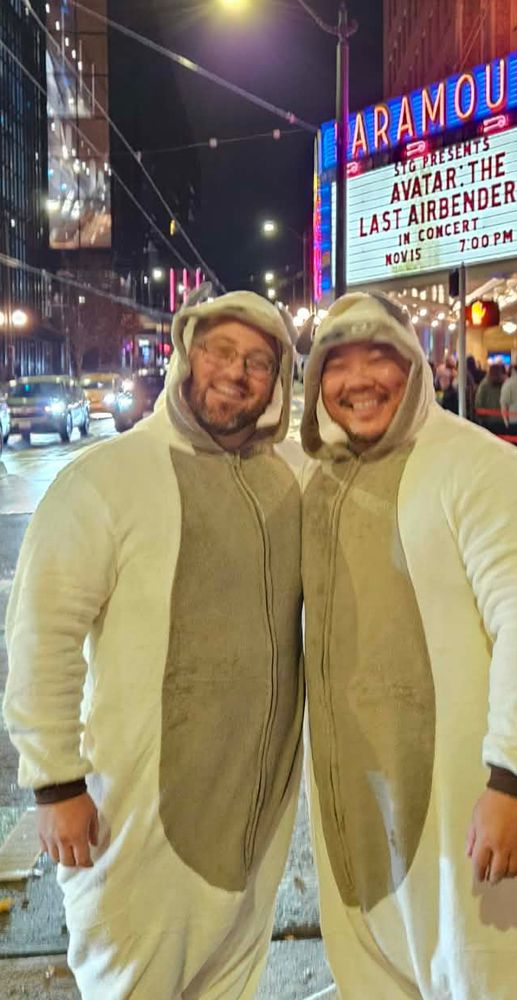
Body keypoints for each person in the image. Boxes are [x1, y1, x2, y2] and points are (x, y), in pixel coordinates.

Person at [3, 291, 305, 999]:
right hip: (134, 815)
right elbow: (42, 636)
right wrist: (55, 783)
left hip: (256, 817)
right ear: (185, 353)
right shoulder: (105, 478)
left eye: (259, 362)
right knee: (129, 980)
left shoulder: (291, 479)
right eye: (220, 351)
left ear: (279, 380)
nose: (236, 373)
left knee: (231, 981)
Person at [300, 293, 517, 1000]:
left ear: (415, 363)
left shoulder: (484, 469)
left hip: (465, 799)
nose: (360, 380)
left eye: (380, 357)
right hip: (355, 798)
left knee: (482, 971)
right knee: (373, 970)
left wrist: (515, 778)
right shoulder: (319, 478)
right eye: (339, 363)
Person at [474, 362, 507, 436]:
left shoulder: (484, 385)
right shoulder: (505, 384)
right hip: (502, 420)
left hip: (487, 420)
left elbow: (478, 402)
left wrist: (480, 418)